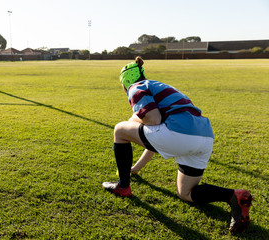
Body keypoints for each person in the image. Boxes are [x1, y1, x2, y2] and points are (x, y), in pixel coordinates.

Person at [102, 56, 253, 234]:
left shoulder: (136, 87)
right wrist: (135, 168)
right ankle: (233, 195)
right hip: (205, 137)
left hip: (180, 134)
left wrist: (134, 119)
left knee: (120, 130)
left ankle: (123, 186)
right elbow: (154, 138)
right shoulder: (158, 86)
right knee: (186, 193)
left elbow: (153, 119)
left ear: (125, 82)